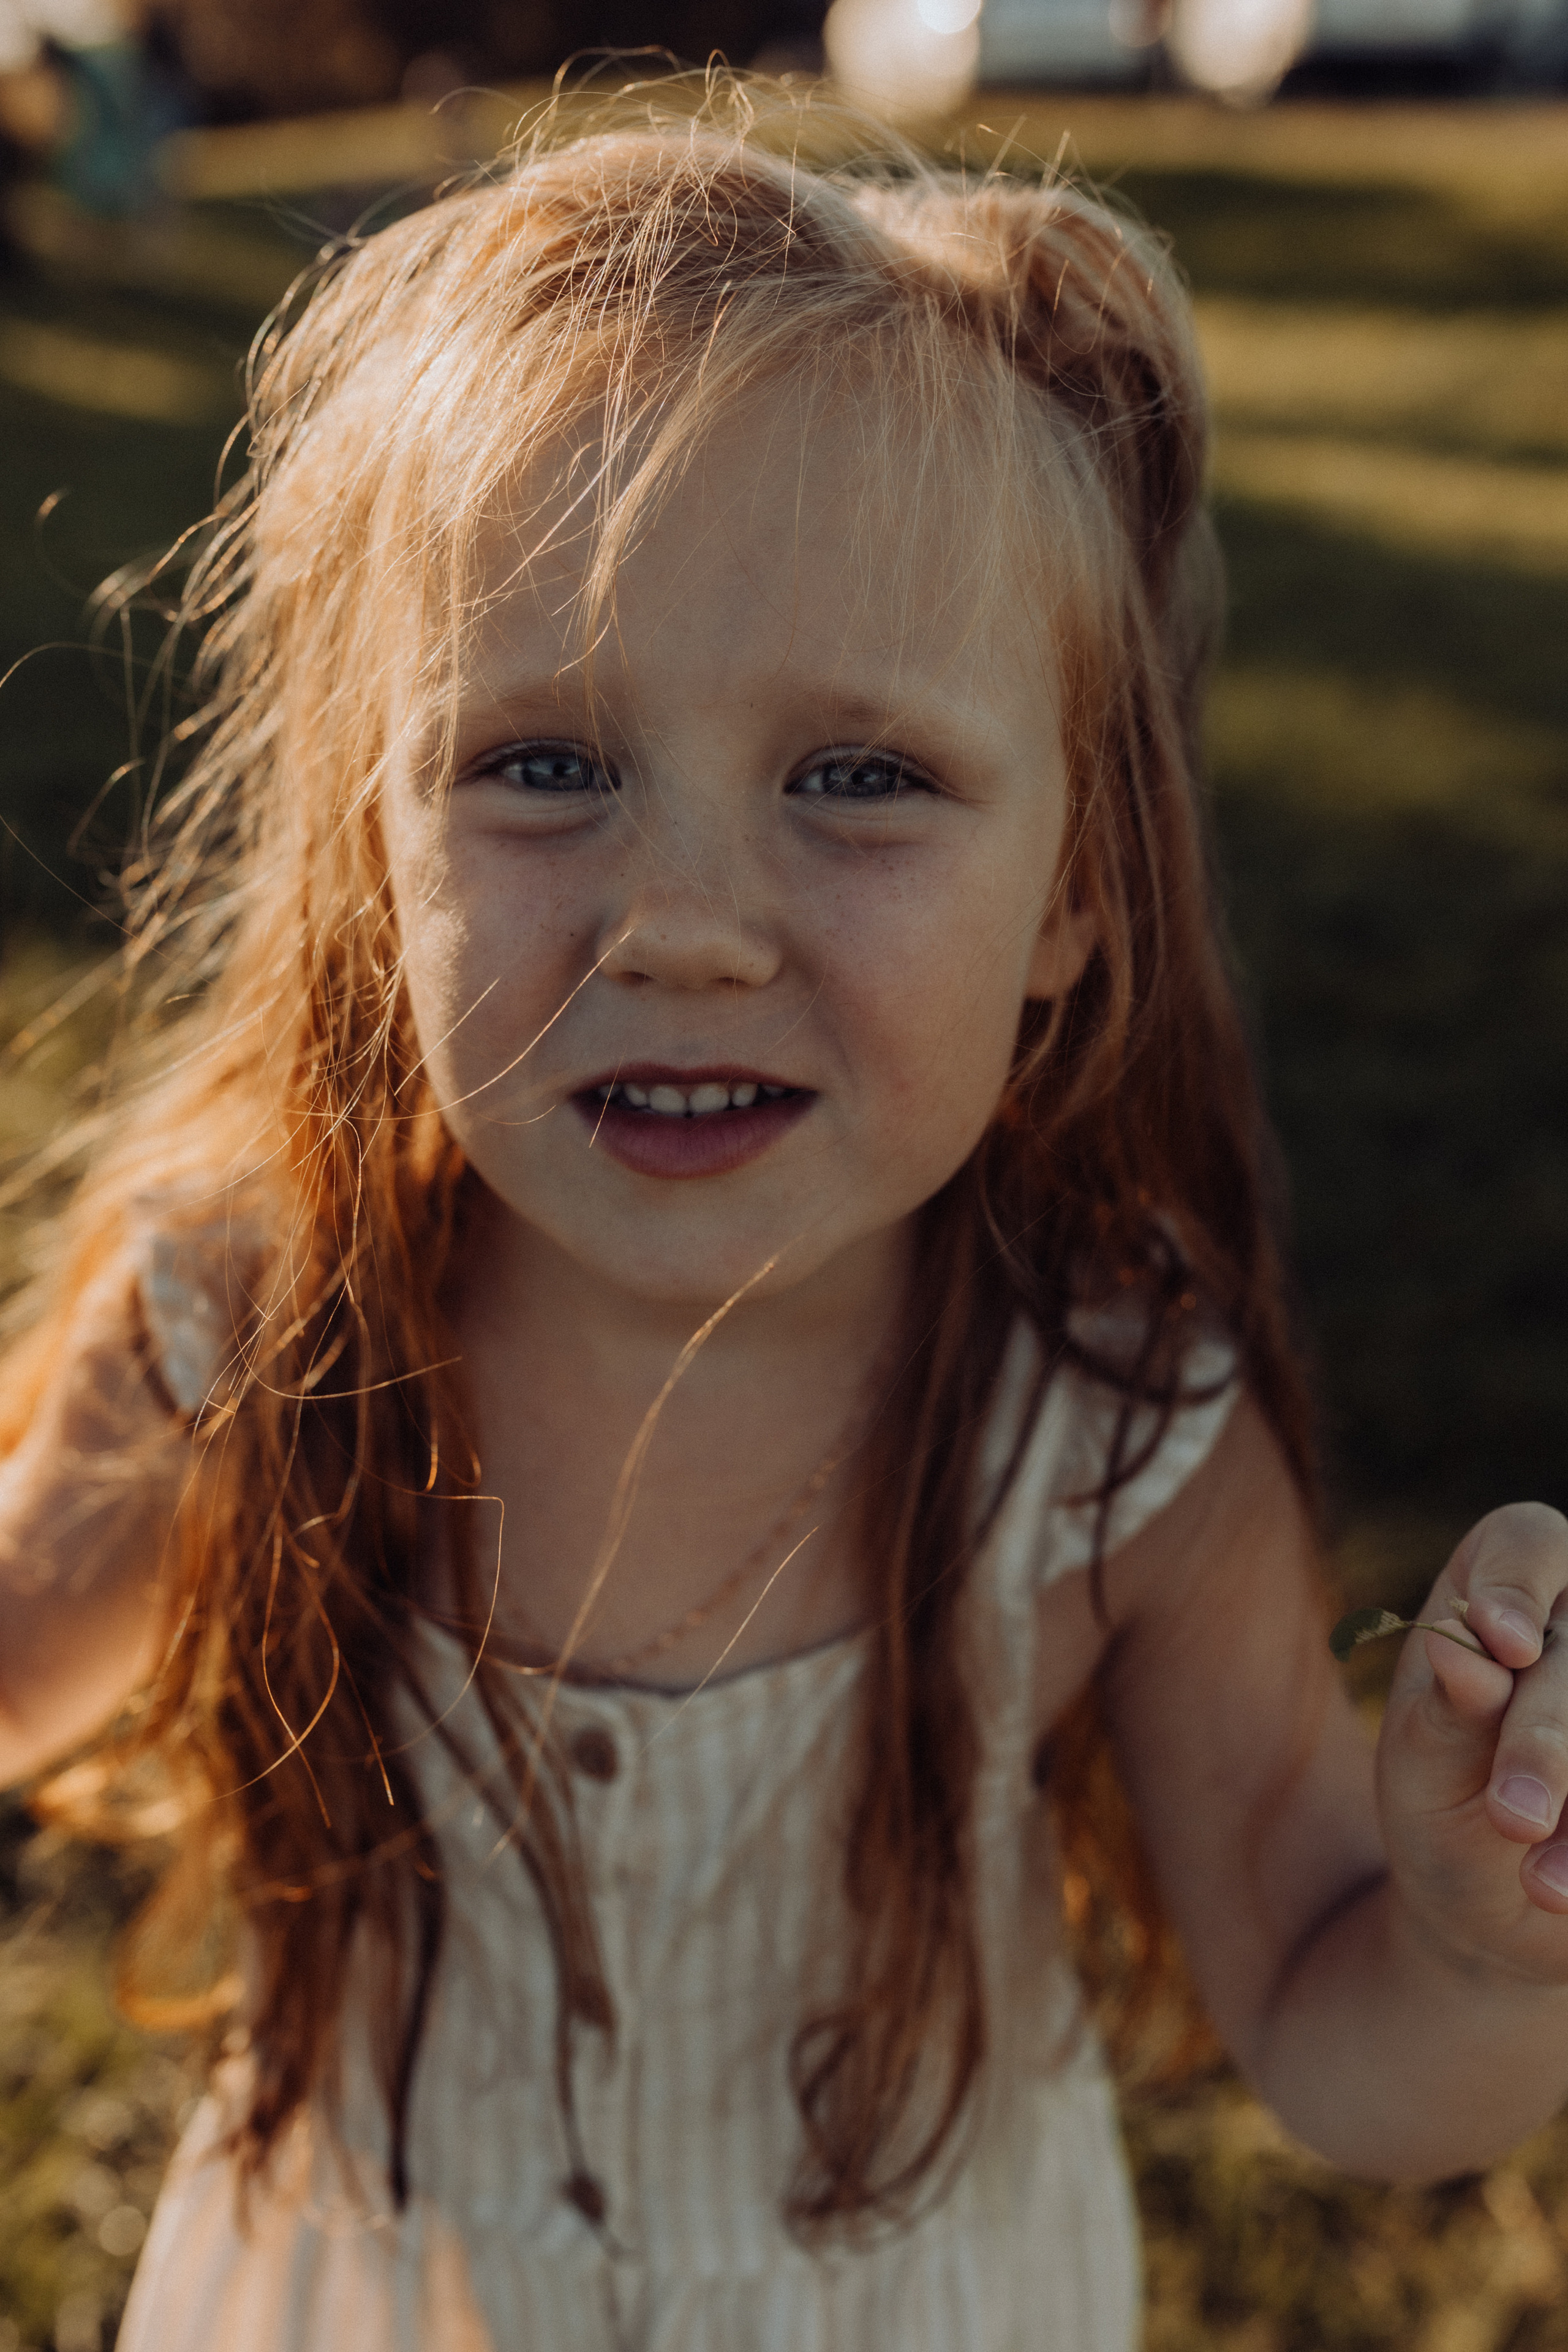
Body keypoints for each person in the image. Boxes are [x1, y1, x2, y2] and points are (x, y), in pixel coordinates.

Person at [2, 78, 1566, 2352]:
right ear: (376, 854)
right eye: (542, 763)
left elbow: (1342, 2051)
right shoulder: (262, 1322)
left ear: (1075, 901)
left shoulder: (1105, 1432)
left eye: (861, 777)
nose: (688, 926)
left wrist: (1480, 1934)